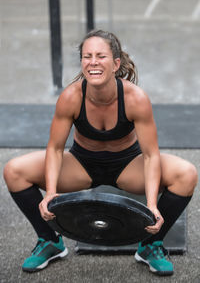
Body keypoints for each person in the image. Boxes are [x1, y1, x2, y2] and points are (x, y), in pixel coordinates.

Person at [3, 29, 197, 276]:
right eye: (87, 56)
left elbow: (150, 156)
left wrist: (150, 207)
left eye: (100, 56)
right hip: (81, 165)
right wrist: (50, 193)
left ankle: (150, 245)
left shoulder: (135, 99)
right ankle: (50, 241)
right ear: (82, 62)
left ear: (116, 63)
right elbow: (55, 148)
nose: (93, 62)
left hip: (128, 165)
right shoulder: (71, 97)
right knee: (14, 171)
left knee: (186, 175)